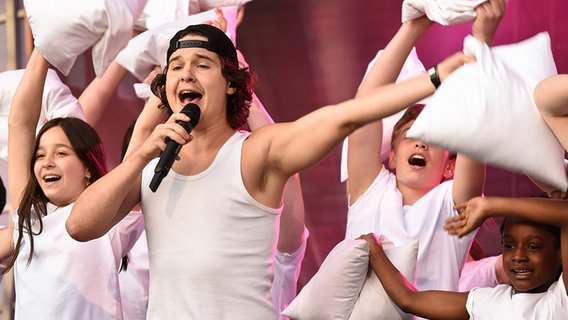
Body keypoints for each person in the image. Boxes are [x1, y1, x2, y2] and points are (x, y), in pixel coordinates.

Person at [65, 22, 473, 318]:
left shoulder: (257, 151)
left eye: (201, 64)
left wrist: (434, 79)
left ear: (230, 83)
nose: (186, 72)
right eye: (176, 66)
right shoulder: (153, 160)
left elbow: (343, 118)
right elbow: (80, 226)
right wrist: (139, 155)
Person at [344, 0, 505, 293]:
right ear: (391, 156)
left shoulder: (452, 206)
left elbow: (473, 128)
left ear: (450, 165)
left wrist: (482, 41)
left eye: (434, 139)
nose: (420, 142)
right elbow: (364, 107)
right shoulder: (371, 193)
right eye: (408, 136)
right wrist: (415, 24)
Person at [0, 48, 144, 319]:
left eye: (61, 153)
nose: (47, 162)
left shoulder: (110, 220)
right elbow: (20, 122)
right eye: (40, 155)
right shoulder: (29, 218)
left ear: (88, 168)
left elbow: (140, 149)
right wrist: (44, 48)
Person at [359, 195, 568, 319]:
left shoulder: (561, 299)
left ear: (561, 253)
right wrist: (375, 250)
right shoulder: (489, 301)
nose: (518, 256)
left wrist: (490, 207)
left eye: (533, 246)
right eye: (509, 245)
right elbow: (409, 299)